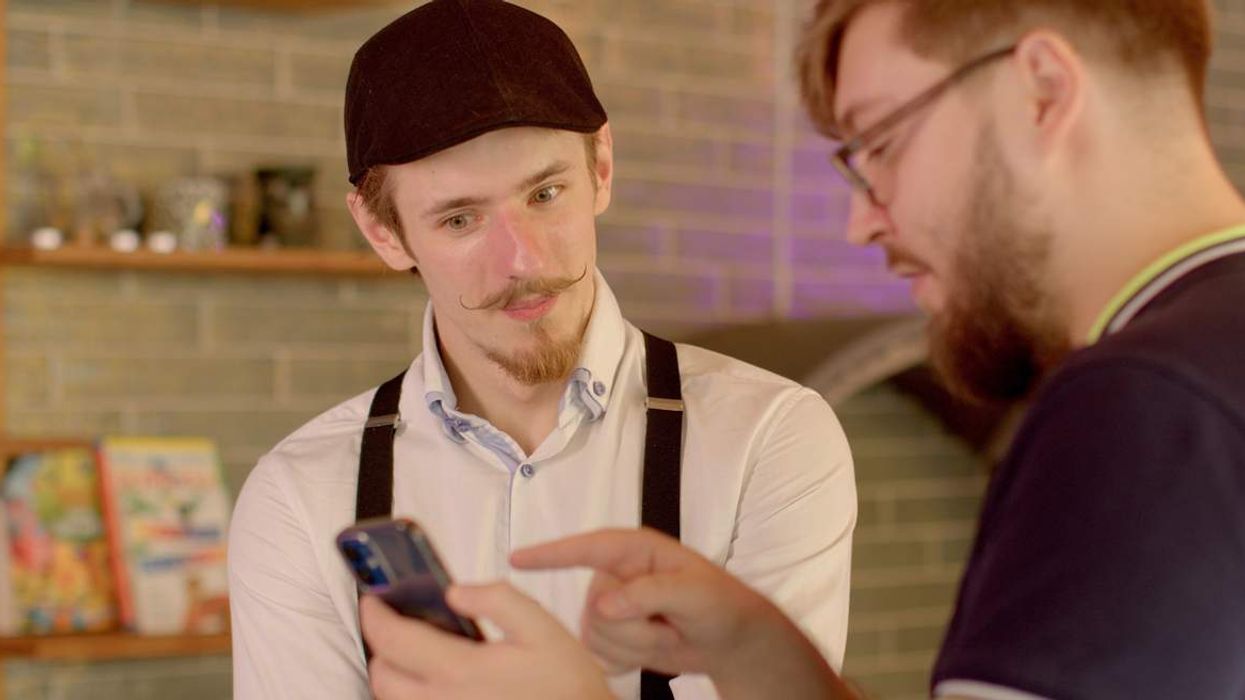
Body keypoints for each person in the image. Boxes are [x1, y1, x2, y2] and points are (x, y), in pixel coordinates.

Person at [353, 0, 1245, 698]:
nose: (860, 221)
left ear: (1043, 88)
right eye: (461, 217)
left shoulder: (1141, 405)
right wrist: (766, 657)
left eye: (880, 141)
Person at [226, 1, 857, 699]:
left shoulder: (770, 438)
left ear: (603, 168)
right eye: (461, 218)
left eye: (545, 192)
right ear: (383, 233)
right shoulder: (299, 495)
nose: (521, 259)